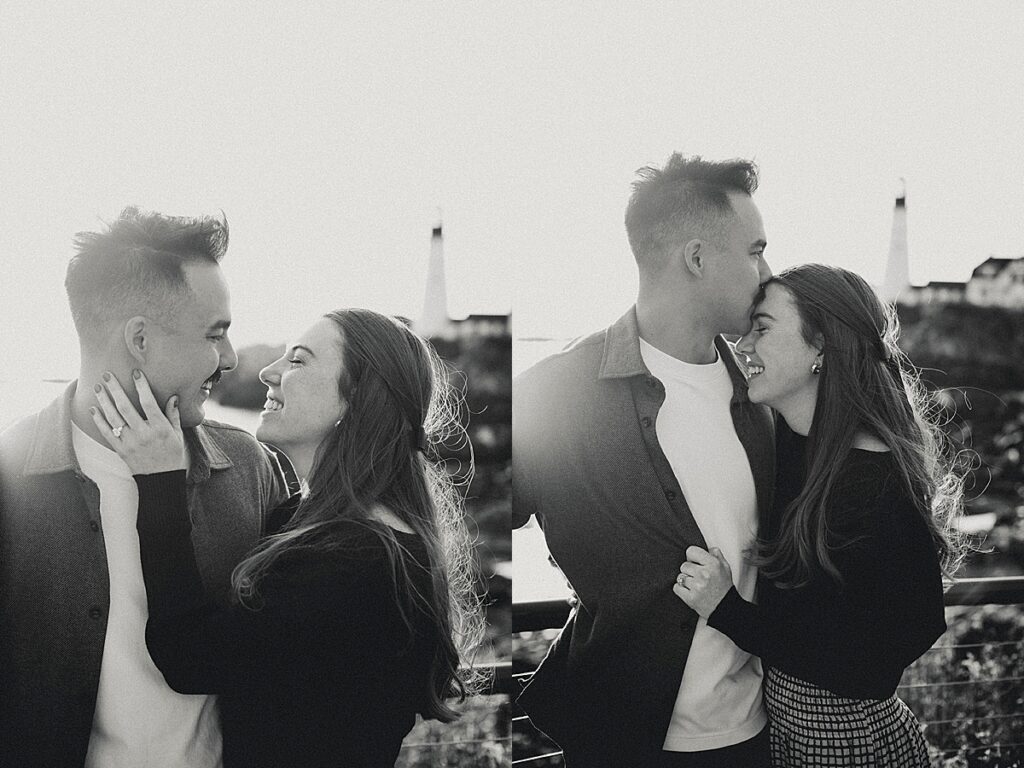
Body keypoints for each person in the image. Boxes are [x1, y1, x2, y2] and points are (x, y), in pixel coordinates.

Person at [89, 308, 485, 767]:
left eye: (297, 361)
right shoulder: (317, 522)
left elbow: (188, 657)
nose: (267, 372)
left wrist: (159, 483)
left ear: (355, 400)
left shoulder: (360, 561)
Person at [0, 207, 290, 767]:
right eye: (216, 333)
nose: (230, 358)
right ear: (139, 338)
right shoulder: (9, 484)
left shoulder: (252, 469)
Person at [513, 154, 775, 766]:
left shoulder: (765, 396)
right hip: (618, 740)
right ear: (697, 257)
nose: (767, 273)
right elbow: (464, 526)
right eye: (755, 250)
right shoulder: (555, 394)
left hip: (758, 737)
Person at [674, 264, 965, 766]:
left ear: (822, 347)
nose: (742, 347)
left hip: (847, 743)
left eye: (761, 329)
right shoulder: (793, 443)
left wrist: (729, 612)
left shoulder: (875, 482)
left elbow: (882, 659)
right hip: (784, 729)